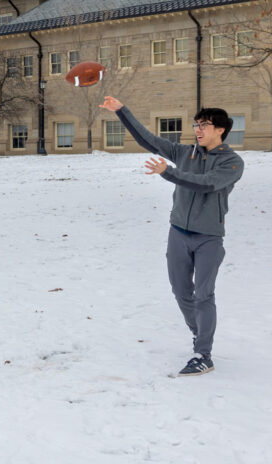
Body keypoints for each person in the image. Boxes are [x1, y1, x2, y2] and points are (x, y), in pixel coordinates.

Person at [100, 96, 243, 377]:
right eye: (197, 124)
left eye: (205, 125)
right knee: (181, 291)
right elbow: (149, 140)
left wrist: (168, 173)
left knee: (204, 294)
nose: (198, 129)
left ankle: (204, 353)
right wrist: (121, 111)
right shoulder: (185, 153)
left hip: (208, 238)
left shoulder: (231, 162)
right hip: (178, 233)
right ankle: (198, 333)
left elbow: (206, 184)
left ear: (221, 130)